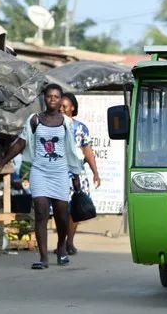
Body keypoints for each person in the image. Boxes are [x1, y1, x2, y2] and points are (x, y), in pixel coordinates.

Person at [0, 84, 81, 269]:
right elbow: (21, 143)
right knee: (41, 212)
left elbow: (72, 150)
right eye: (49, 96)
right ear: (44, 99)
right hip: (39, 172)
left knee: (62, 215)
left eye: (56, 97)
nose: (52, 100)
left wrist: (75, 174)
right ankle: (43, 258)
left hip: (60, 173)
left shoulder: (66, 122)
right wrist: (2, 163)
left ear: (60, 100)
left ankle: (61, 247)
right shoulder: (35, 120)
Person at [59, 93, 101, 255]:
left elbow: (88, 152)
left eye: (65, 106)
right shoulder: (52, 125)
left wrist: (95, 172)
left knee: (75, 209)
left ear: (73, 108)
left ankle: (69, 242)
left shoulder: (80, 128)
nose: (62, 109)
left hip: (77, 174)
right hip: (58, 173)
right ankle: (62, 242)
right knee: (60, 209)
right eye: (60, 106)